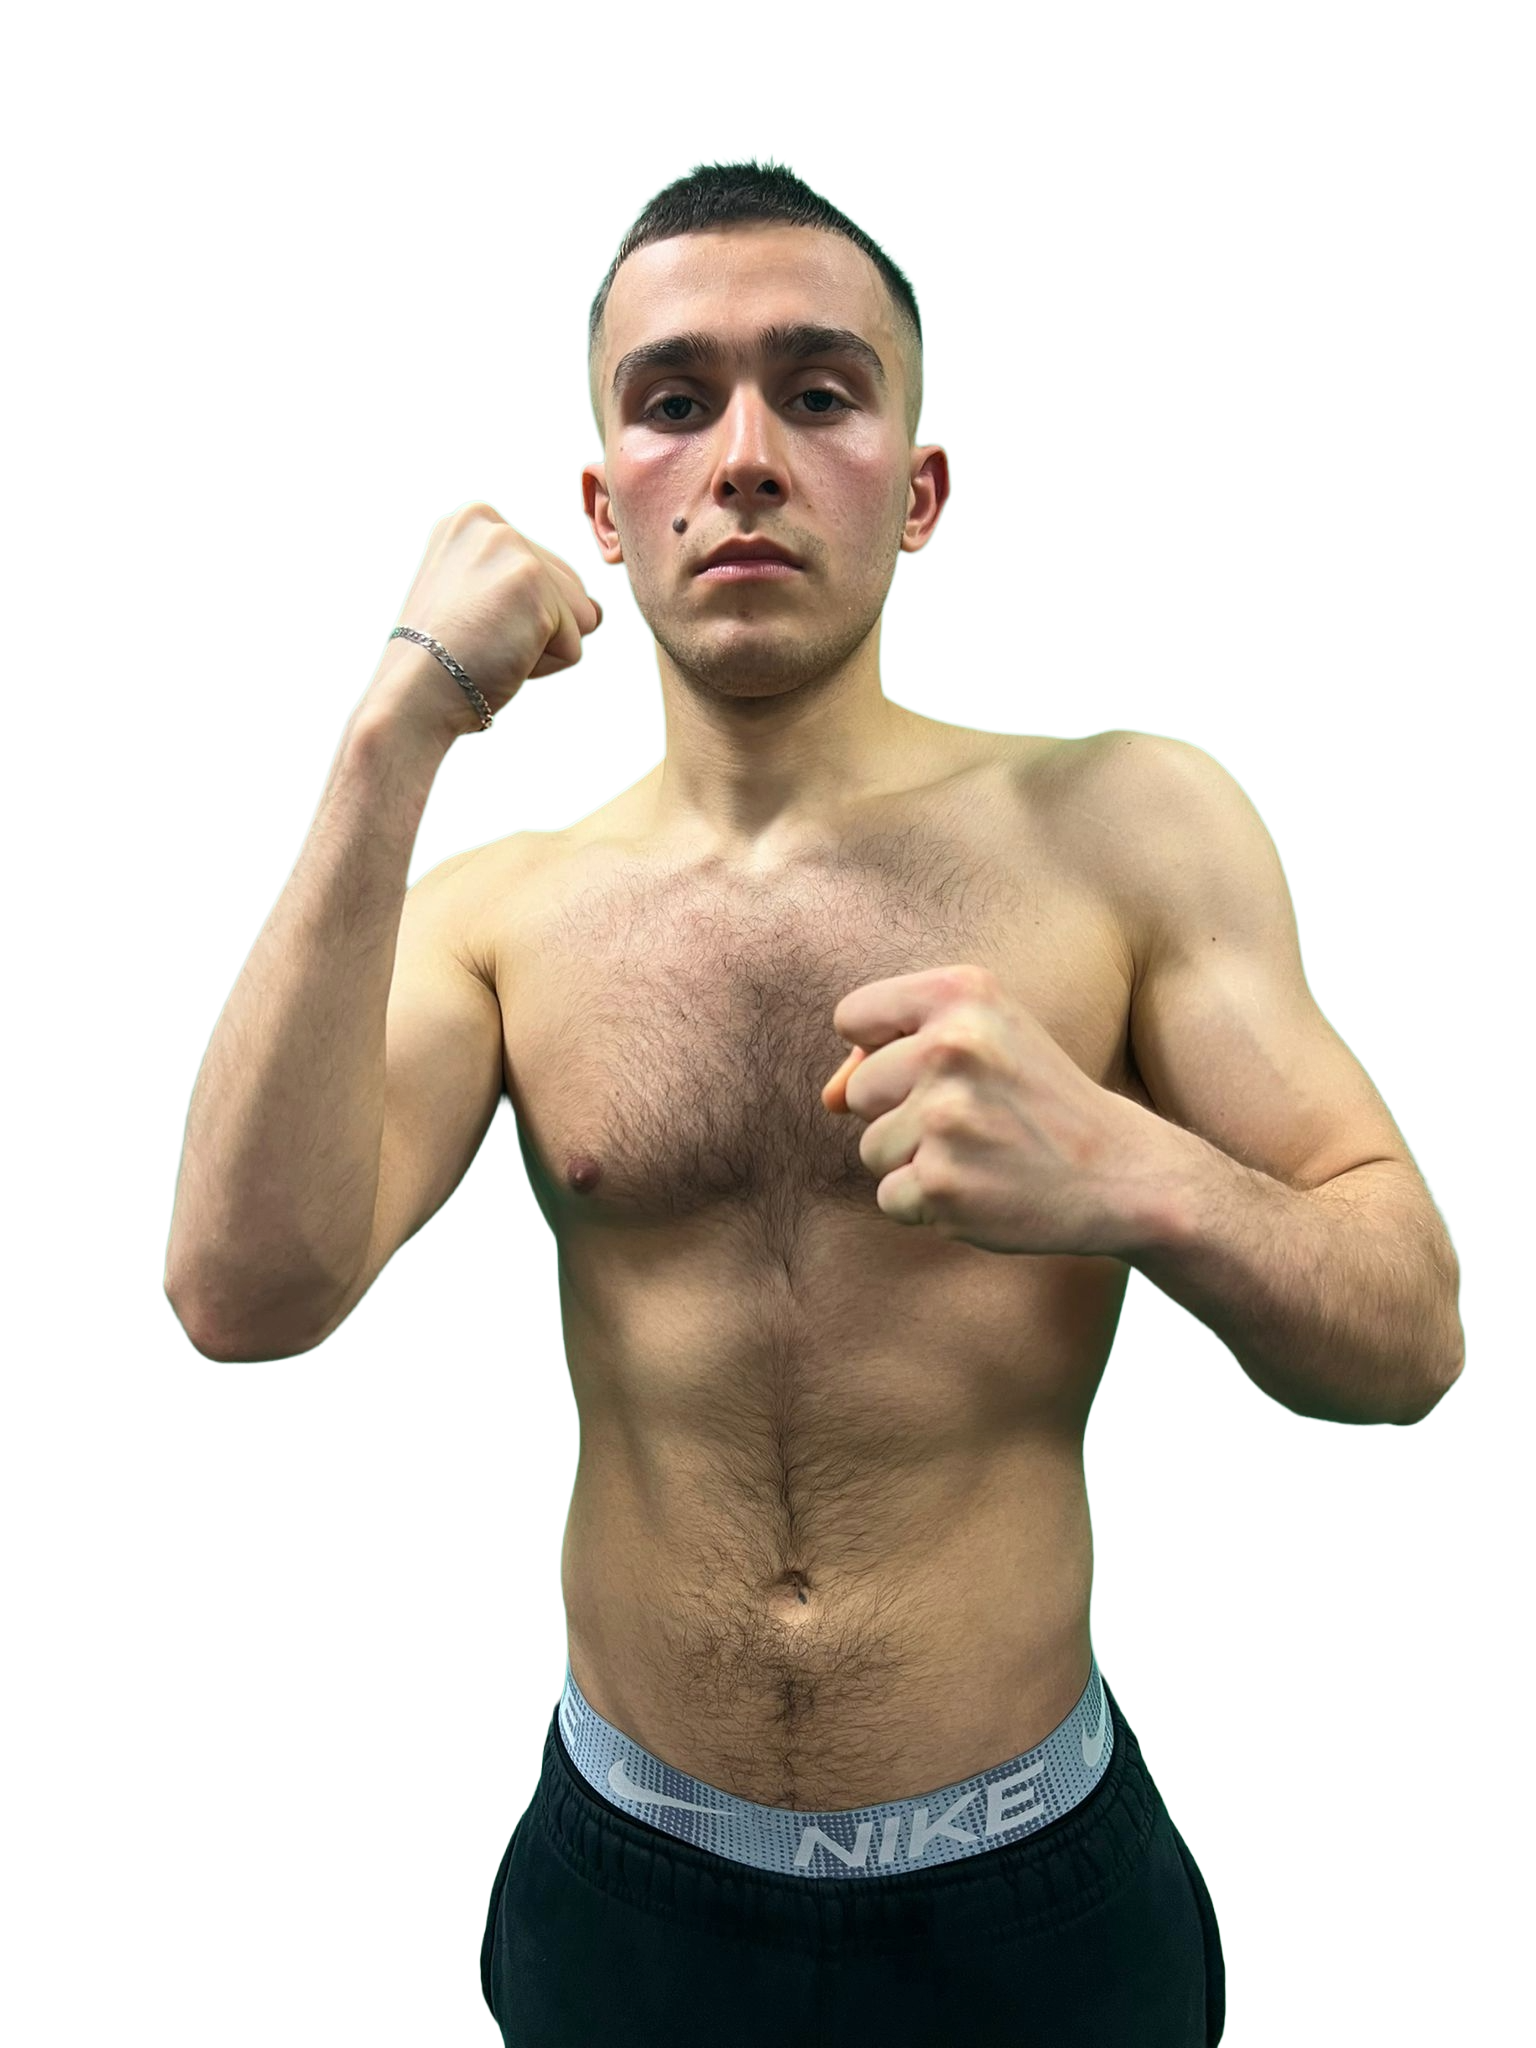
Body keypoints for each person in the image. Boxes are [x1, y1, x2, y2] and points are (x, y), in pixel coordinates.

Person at [166, 154, 1458, 2048]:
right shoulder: (500, 908)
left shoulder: (1127, 822)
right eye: (677, 402)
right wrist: (394, 729)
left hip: (1038, 1896)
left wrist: (1135, 1171)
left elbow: (1410, 1334)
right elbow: (241, 1297)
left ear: (917, 489)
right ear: (605, 508)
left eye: (822, 392)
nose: (746, 456)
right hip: (627, 1889)